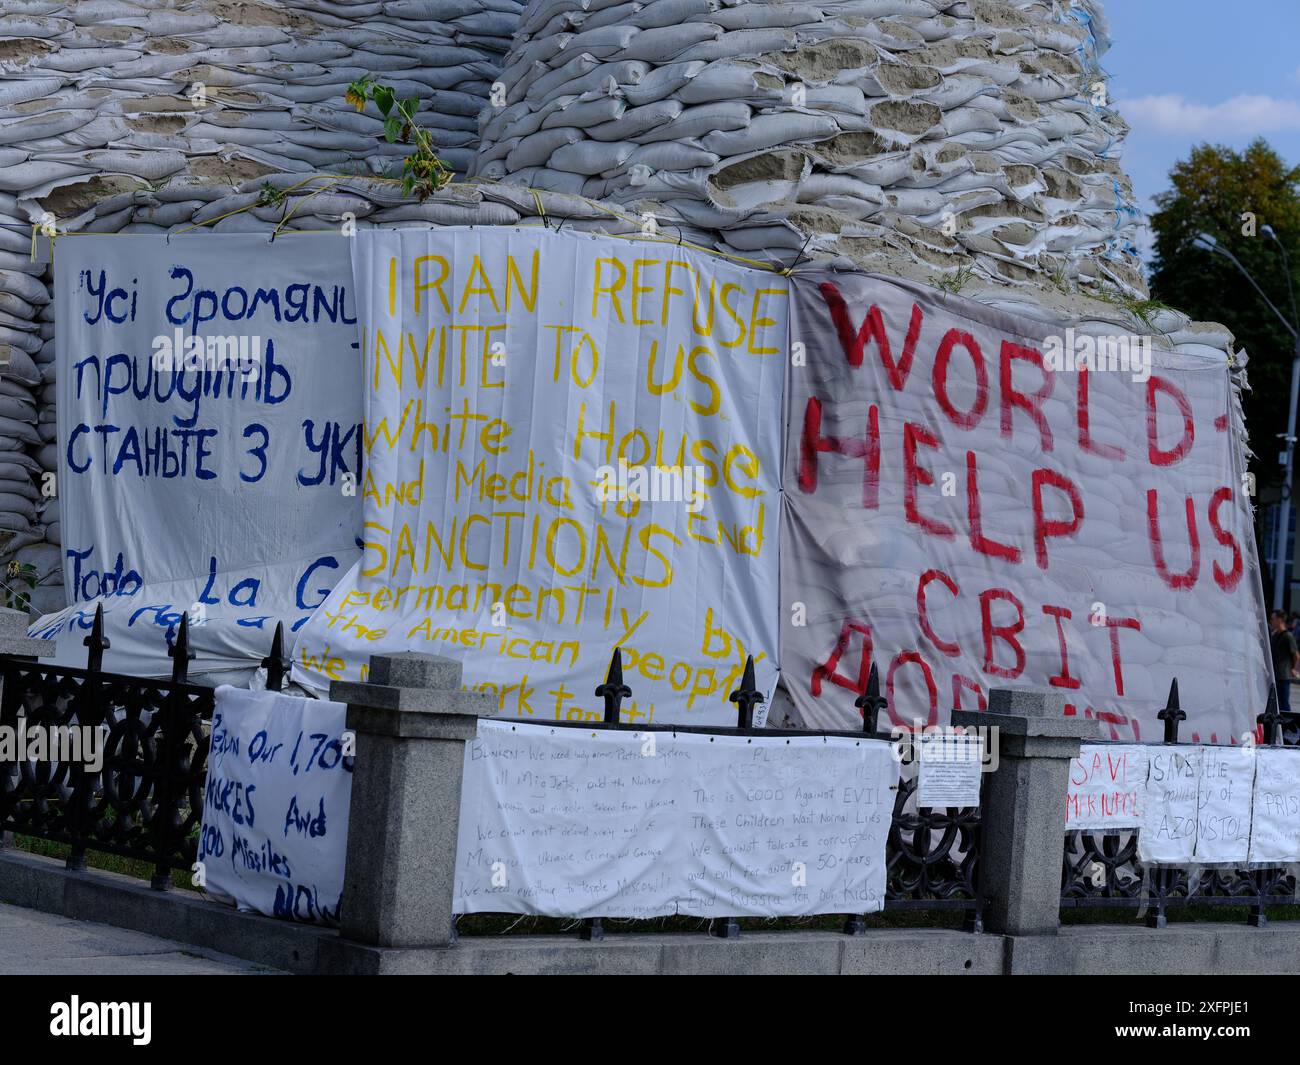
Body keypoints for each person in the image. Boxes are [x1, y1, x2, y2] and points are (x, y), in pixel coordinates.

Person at [1270, 610, 1299, 713]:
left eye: (1273, 619)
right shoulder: (1274, 635)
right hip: (1275, 675)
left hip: (1283, 676)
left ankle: (1290, 728)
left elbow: (1296, 655)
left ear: (1280, 620)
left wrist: (1293, 669)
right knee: (1276, 703)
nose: (1271, 621)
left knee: (1284, 704)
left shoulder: (1288, 636)